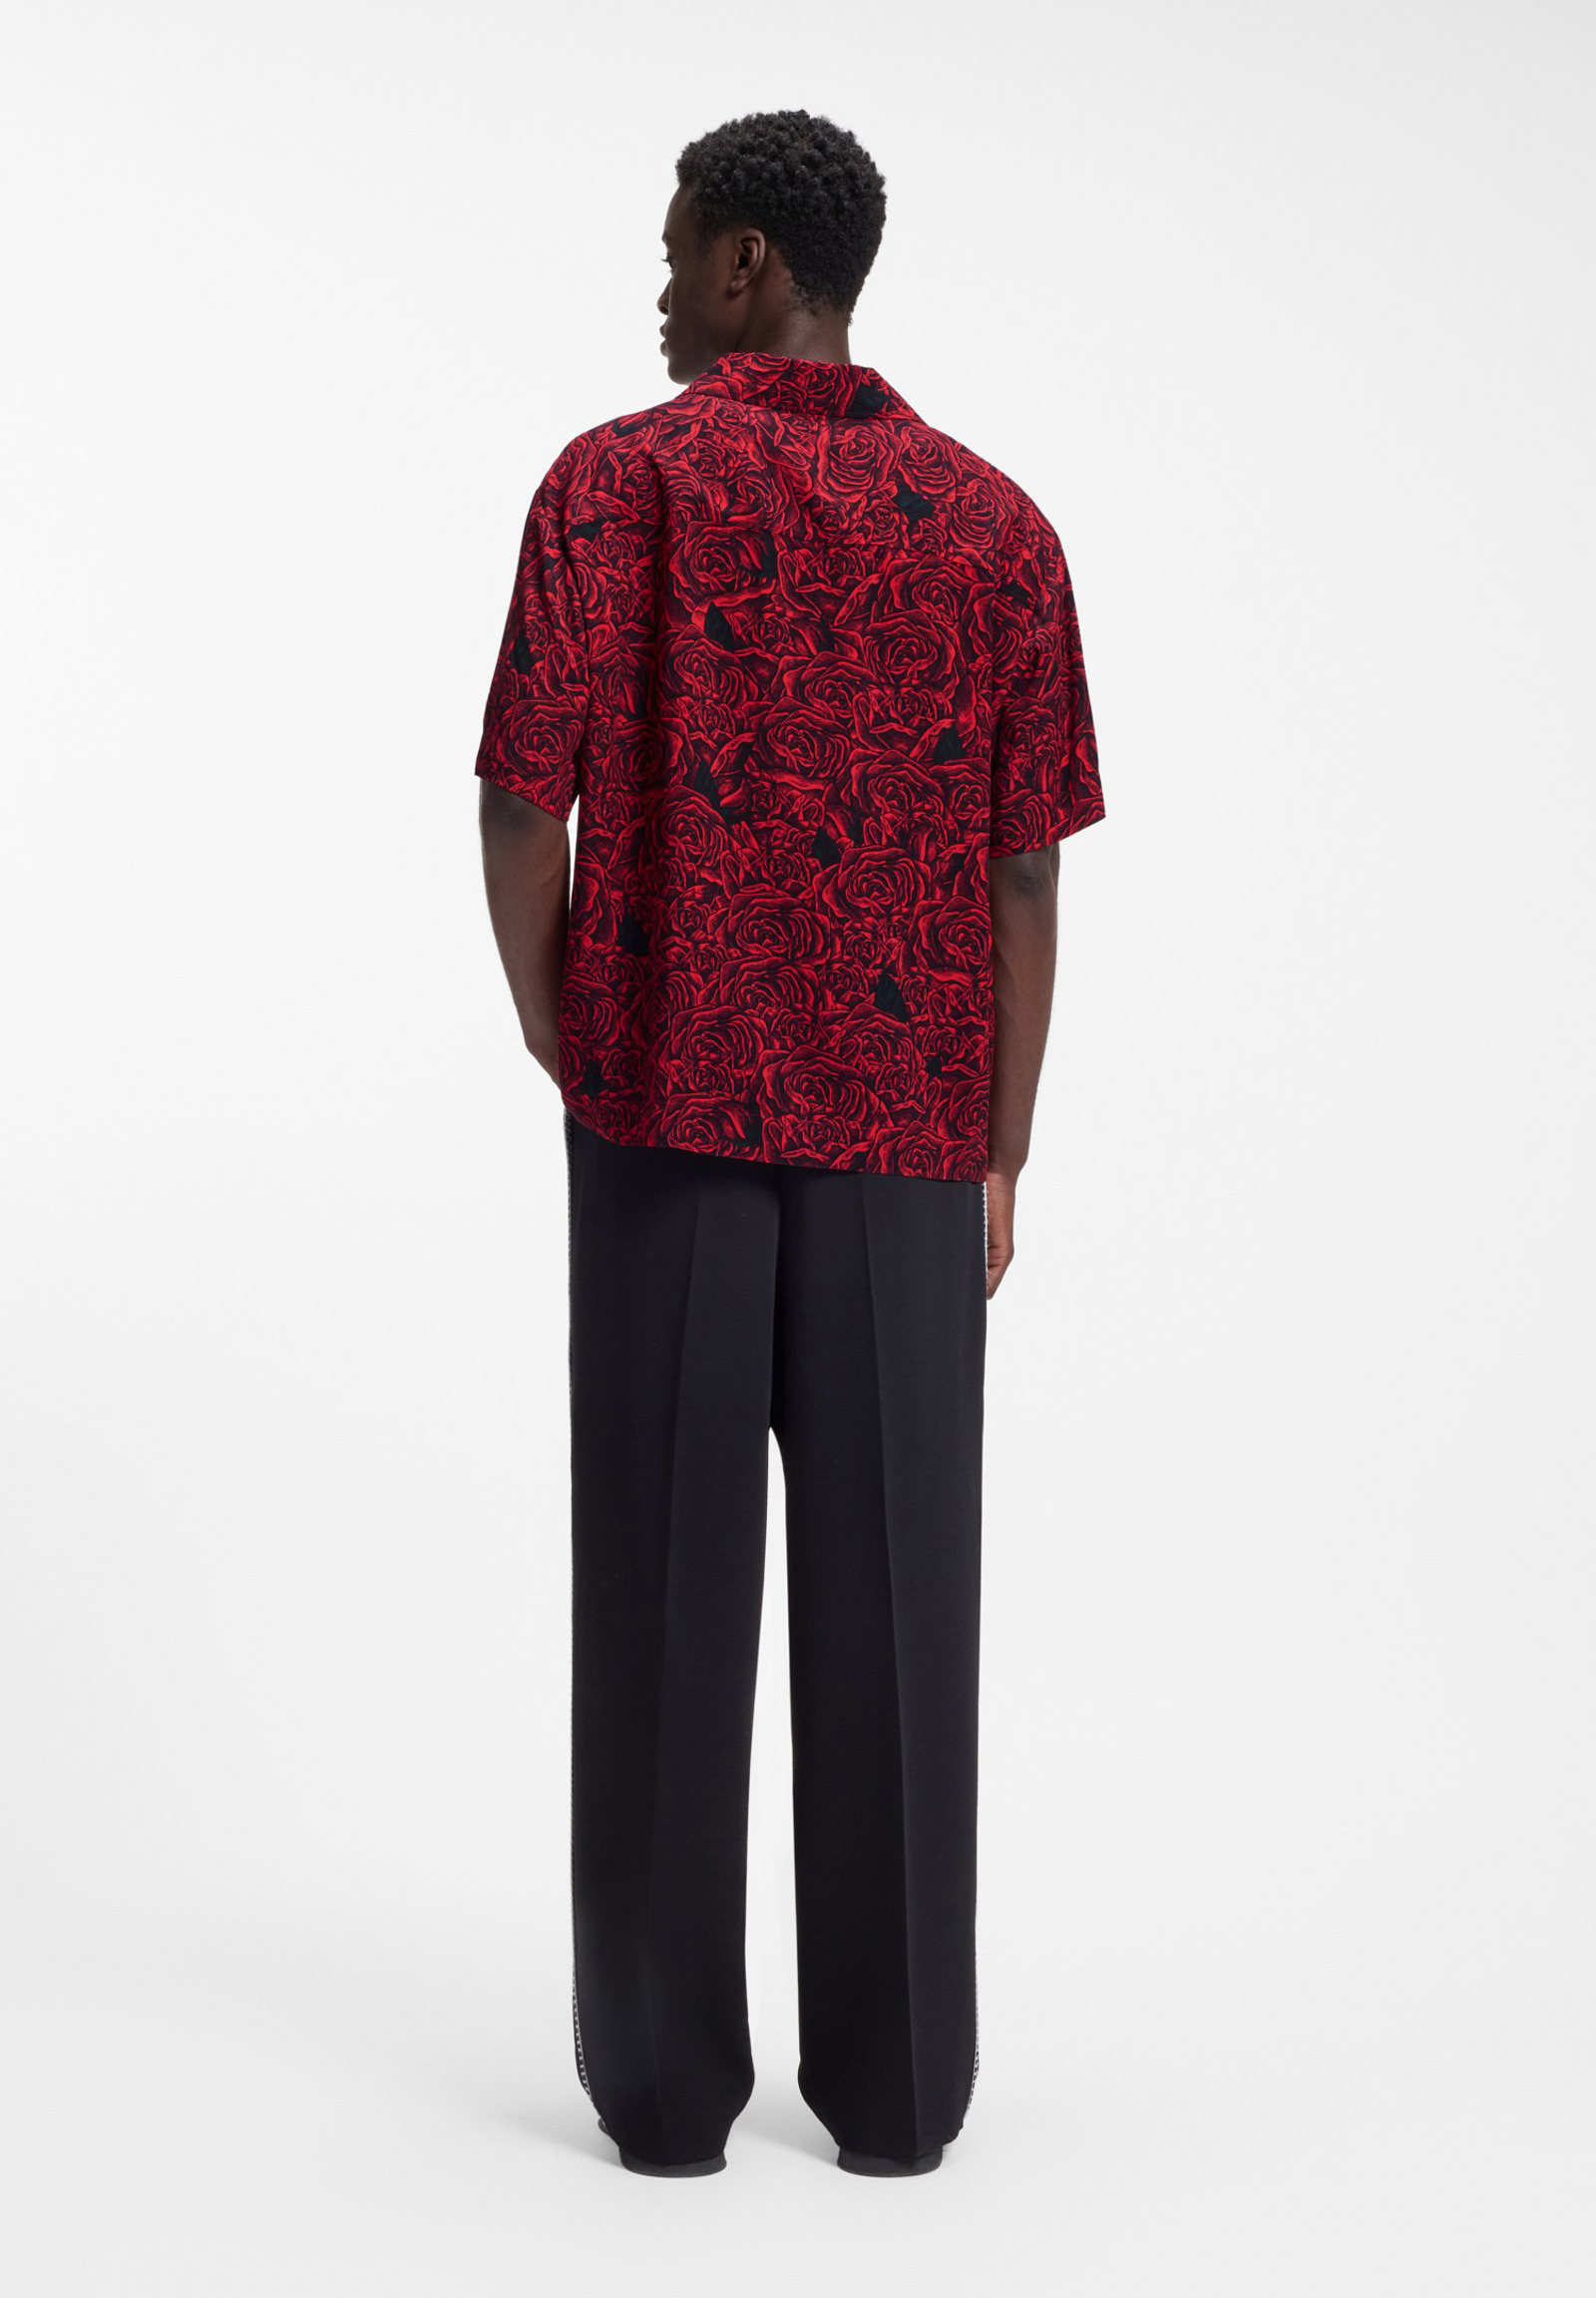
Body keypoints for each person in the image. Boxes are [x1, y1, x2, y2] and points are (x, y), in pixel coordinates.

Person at [475, 108, 1103, 2180]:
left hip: (662, 1121)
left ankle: (662, 2099)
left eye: (679, 248)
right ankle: (900, 2098)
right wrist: (999, 1151)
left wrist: (568, 1034)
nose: (661, 286)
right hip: (908, 1151)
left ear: (750, 259)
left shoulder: (610, 487)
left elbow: (519, 803)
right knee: (901, 1620)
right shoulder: (995, 528)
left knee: (658, 1606)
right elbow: (1024, 874)